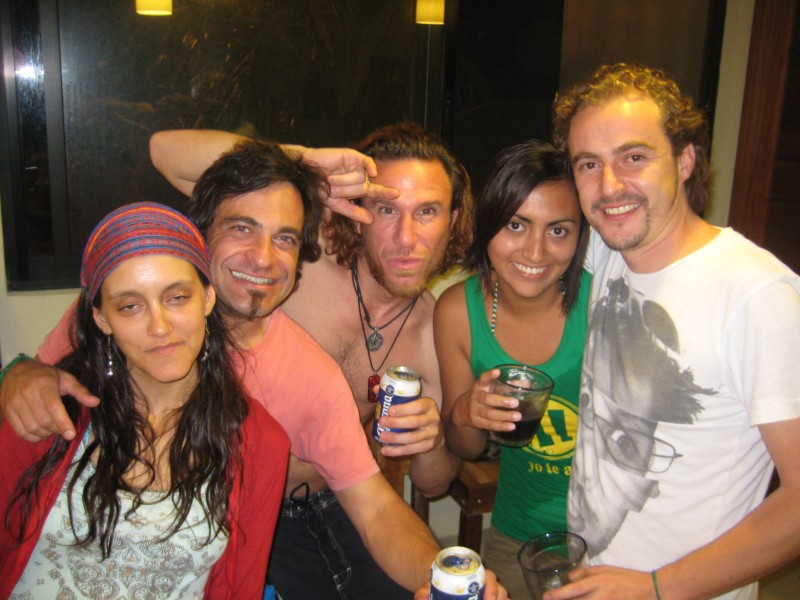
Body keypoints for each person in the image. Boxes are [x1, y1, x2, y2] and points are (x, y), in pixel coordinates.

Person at [0, 140, 507, 599]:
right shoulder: (128, 314)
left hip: (296, 507)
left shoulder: (296, 391)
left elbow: (376, 507)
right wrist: (18, 375)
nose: (263, 259)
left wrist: (446, 577)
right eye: (242, 228)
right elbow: (164, 149)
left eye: (285, 238)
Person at [148, 122, 470, 597]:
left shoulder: (433, 331)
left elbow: (434, 483)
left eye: (427, 211)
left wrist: (432, 442)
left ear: (453, 220)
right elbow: (165, 152)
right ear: (356, 214)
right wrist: (302, 162)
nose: (406, 238)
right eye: (386, 209)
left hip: (332, 499)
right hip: (219, 499)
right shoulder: (296, 257)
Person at [543, 63, 800, 600]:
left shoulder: (756, 295)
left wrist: (656, 587)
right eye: (589, 164)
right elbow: (514, 227)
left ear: (686, 160)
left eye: (634, 157)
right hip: (594, 577)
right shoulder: (610, 253)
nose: (609, 186)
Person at [0, 202, 290, 598]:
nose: (159, 326)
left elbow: (242, 587)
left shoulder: (260, 444)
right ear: (102, 319)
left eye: (177, 297)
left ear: (207, 299)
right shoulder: (50, 411)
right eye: (130, 306)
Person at [434, 140, 590, 598]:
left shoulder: (603, 303)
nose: (535, 252)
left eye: (558, 230)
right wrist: (466, 413)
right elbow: (465, 448)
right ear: (487, 223)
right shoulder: (458, 312)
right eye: (516, 225)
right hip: (519, 532)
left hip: (610, 537)